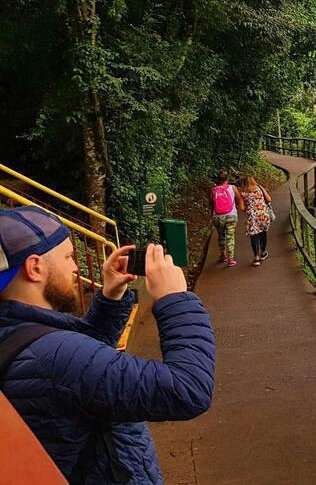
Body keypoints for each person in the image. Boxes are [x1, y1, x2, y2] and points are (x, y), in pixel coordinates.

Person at [0, 205, 215, 484]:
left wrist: (111, 297)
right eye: (68, 257)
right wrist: (174, 299)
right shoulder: (54, 357)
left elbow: (84, 374)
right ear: (35, 267)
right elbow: (188, 389)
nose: (76, 267)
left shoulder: (19, 334)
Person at [211, 170, 245, 267]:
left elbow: (212, 204)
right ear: (227, 179)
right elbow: (239, 200)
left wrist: (212, 214)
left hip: (218, 216)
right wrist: (243, 208)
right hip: (231, 215)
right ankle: (231, 259)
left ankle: (223, 255)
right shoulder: (233, 188)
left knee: (221, 235)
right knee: (230, 236)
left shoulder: (213, 190)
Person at [239, 175, 272, 267]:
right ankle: (263, 252)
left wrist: (249, 207)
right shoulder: (259, 188)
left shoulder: (243, 193)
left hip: (252, 217)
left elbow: (242, 208)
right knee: (263, 233)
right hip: (263, 215)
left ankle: (256, 258)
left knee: (254, 236)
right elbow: (269, 199)